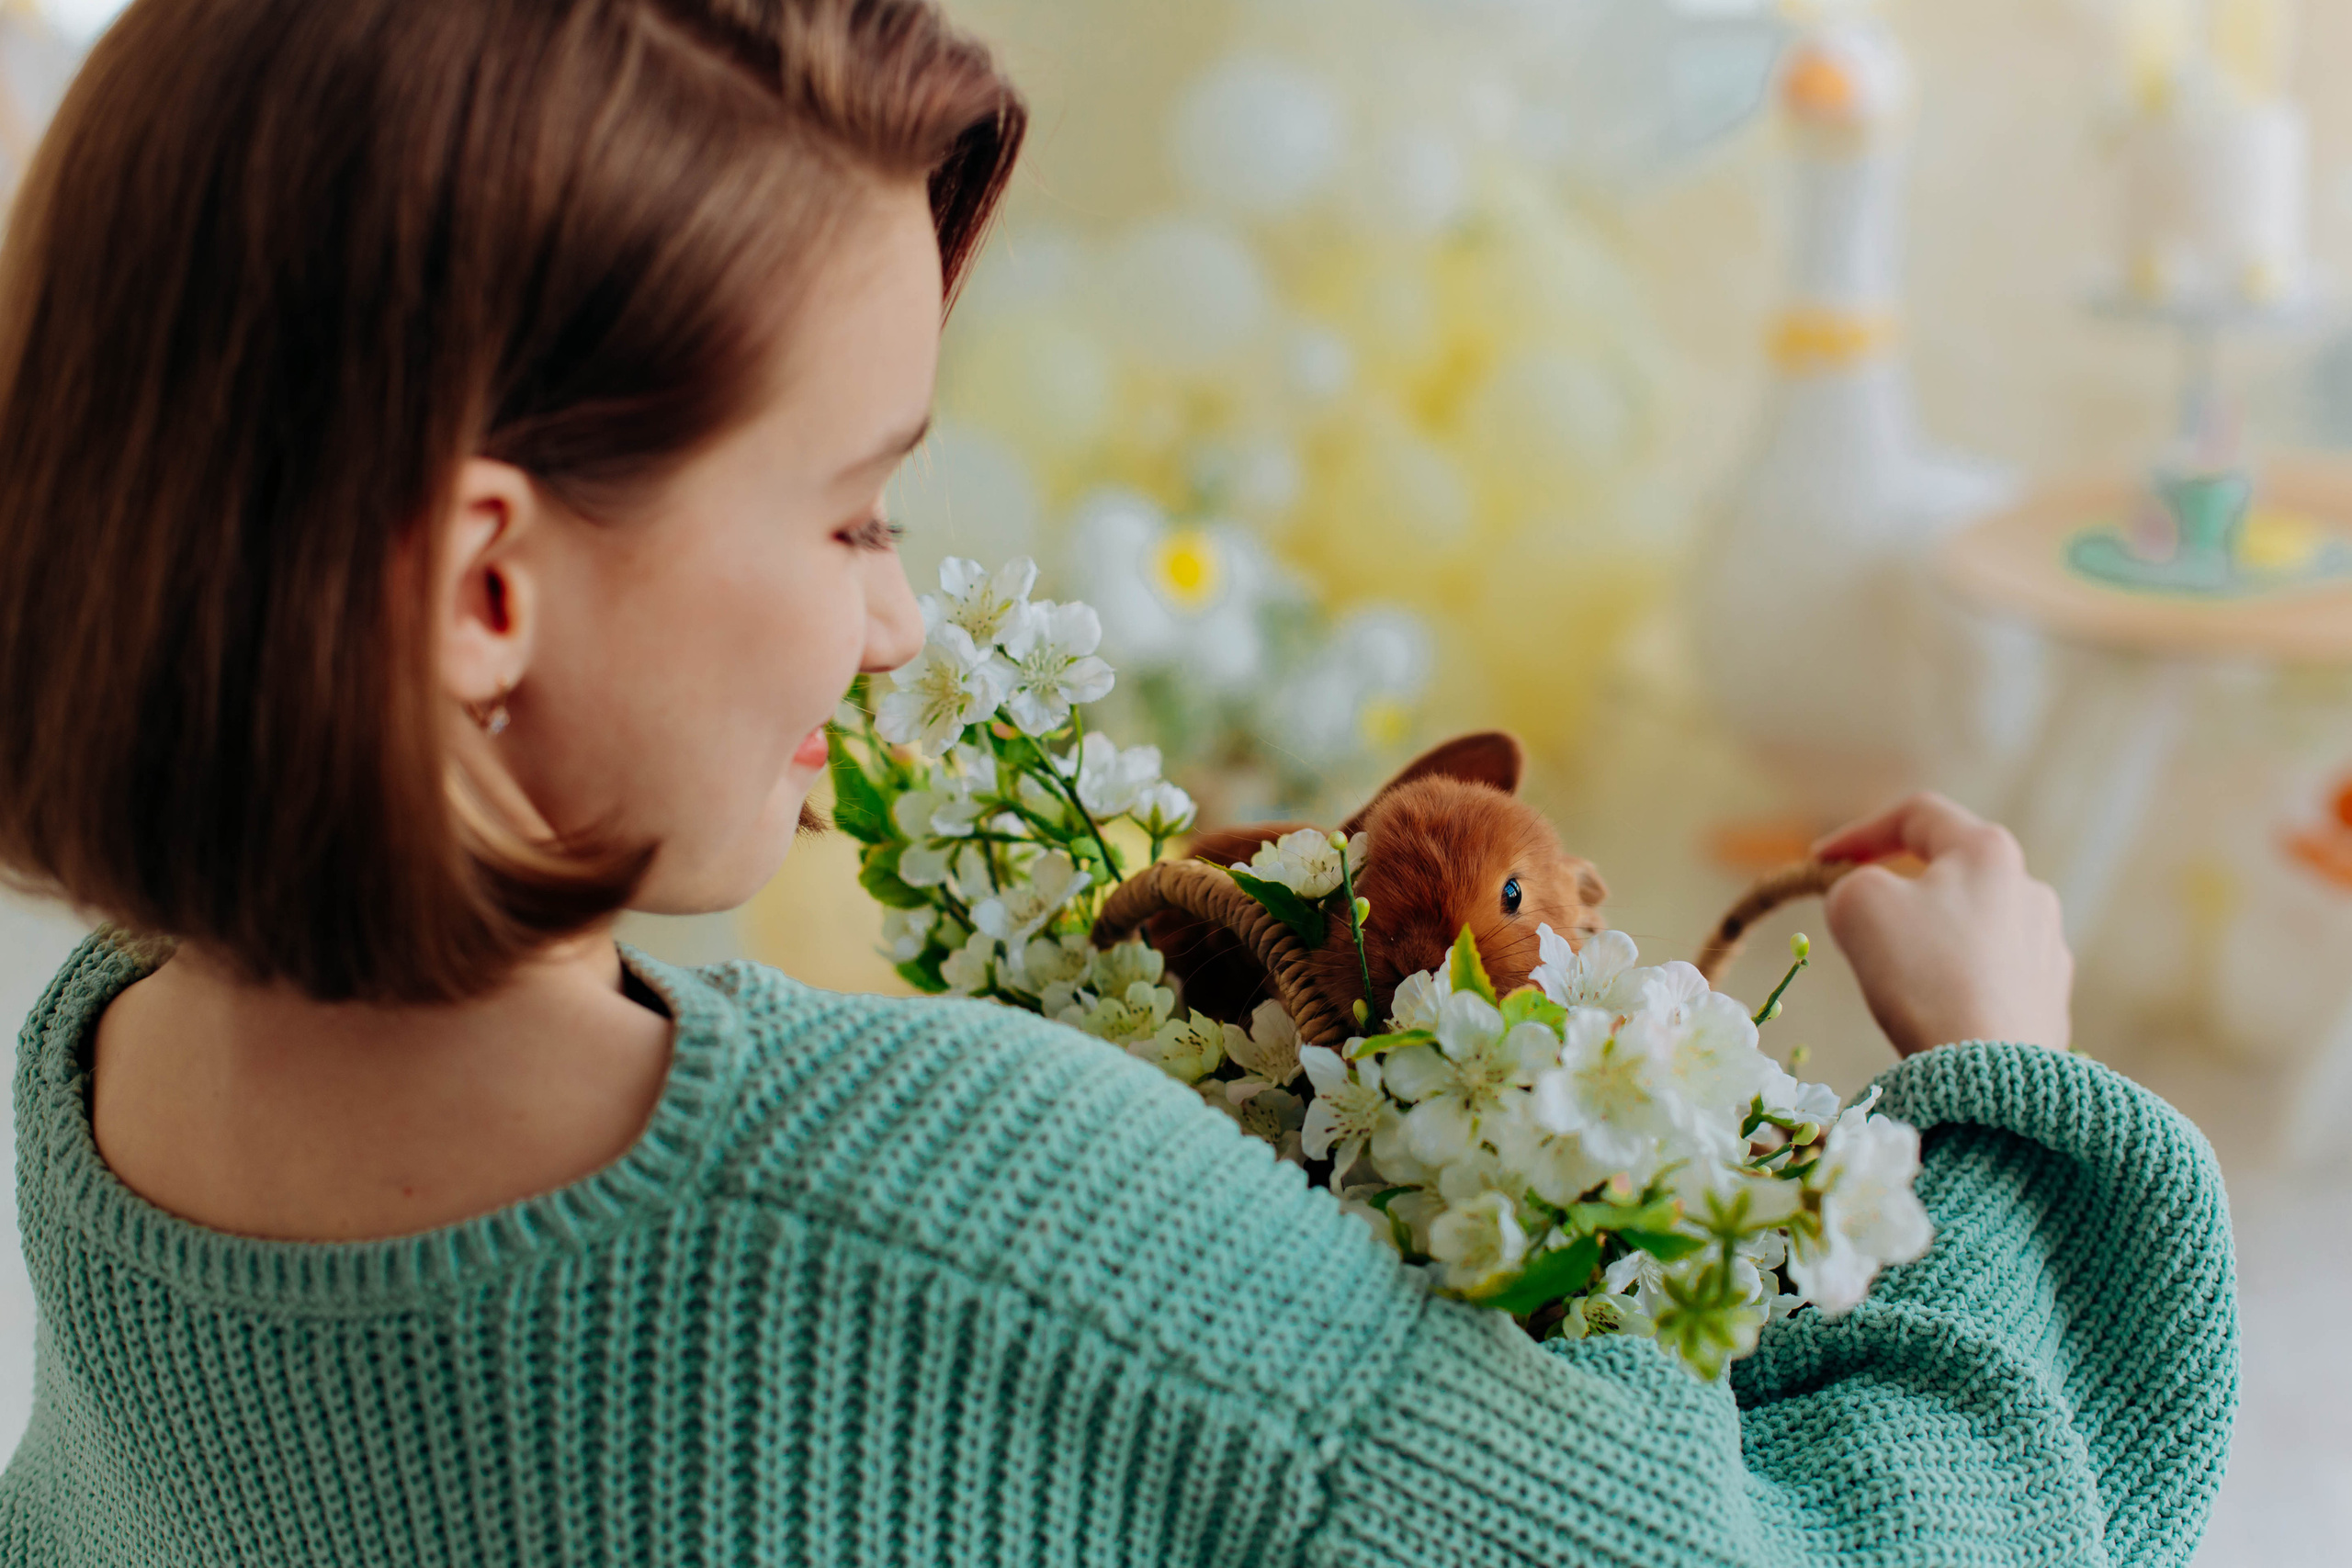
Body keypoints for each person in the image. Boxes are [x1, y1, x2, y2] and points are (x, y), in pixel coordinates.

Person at [0, 0, 2234, 1562]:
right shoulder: (962, 1213)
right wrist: (2010, 1099)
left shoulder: (104, 1066)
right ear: (486, 583)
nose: (891, 625)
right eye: (854, 513)